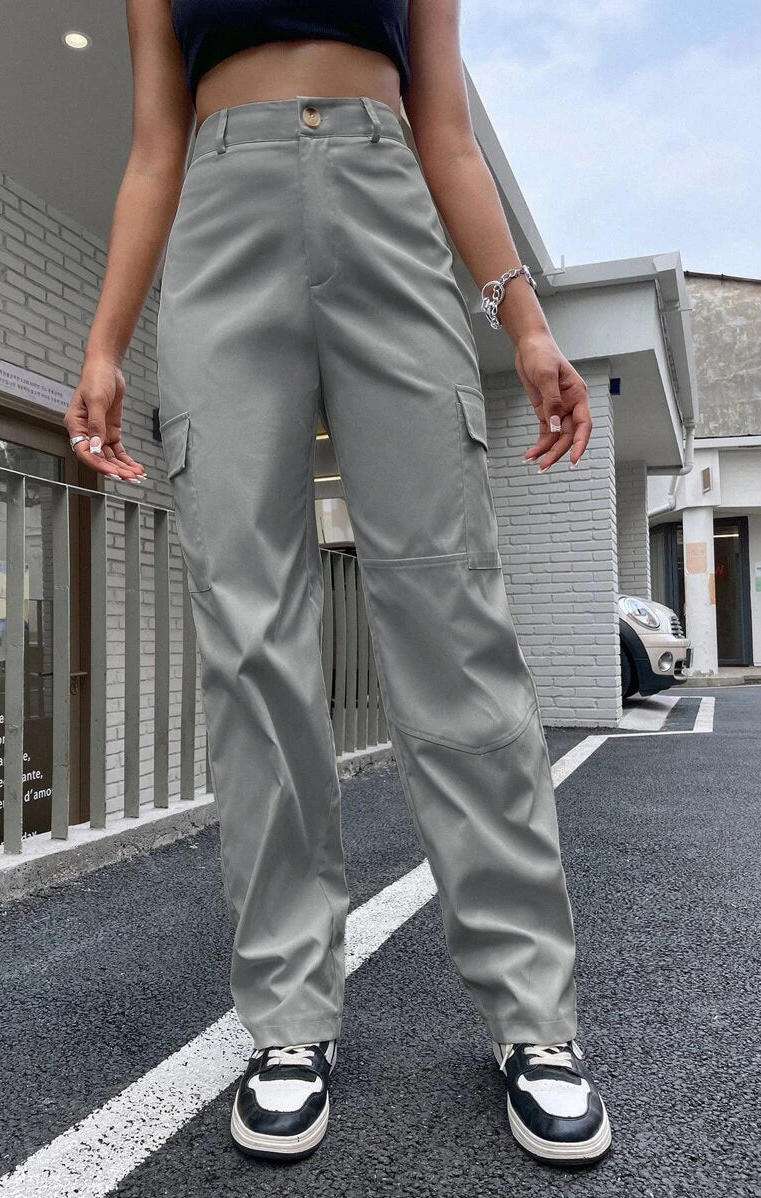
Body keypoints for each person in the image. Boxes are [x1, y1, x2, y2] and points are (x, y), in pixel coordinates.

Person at [63, 0, 612, 1170]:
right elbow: (155, 146)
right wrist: (104, 344)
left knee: (451, 616)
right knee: (250, 638)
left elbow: (446, 130)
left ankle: (534, 1019)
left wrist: (525, 323)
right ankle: (289, 1021)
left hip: (385, 199)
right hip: (220, 218)